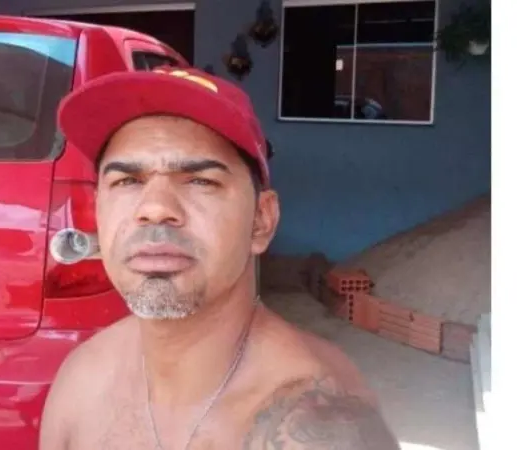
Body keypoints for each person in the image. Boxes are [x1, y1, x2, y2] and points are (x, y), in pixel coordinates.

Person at [40, 67, 400, 450]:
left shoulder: (316, 422)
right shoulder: (81, 381)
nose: (155, 208)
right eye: (127, 181)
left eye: (201, 181)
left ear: (261, 221)